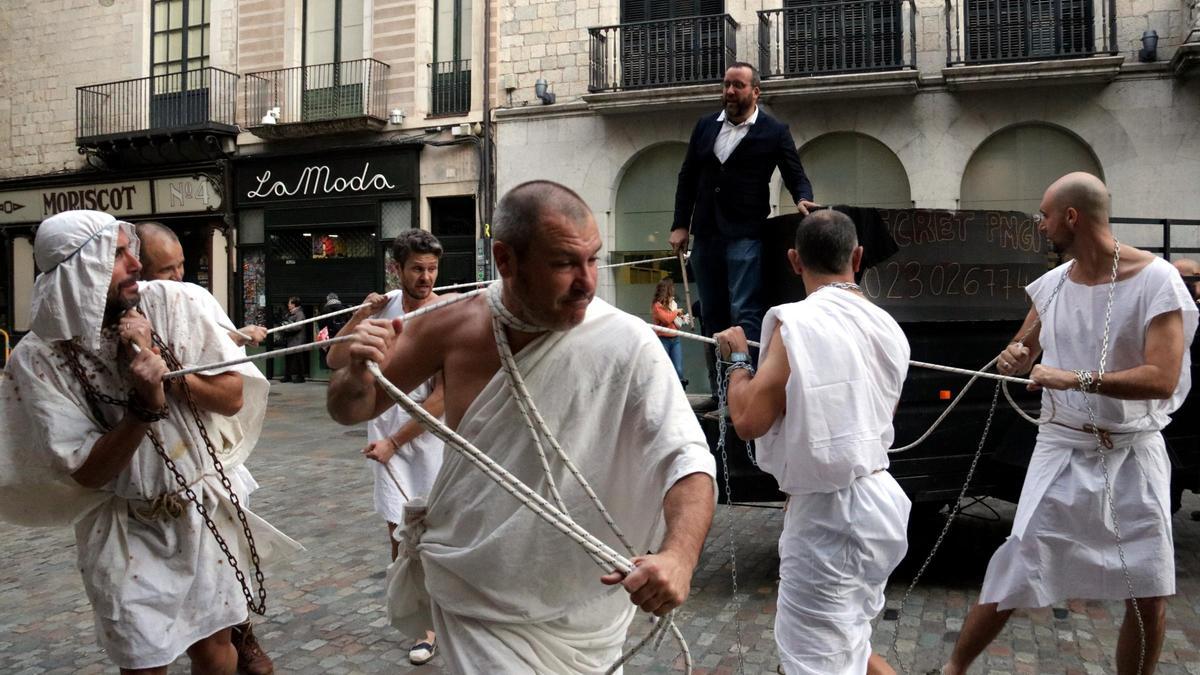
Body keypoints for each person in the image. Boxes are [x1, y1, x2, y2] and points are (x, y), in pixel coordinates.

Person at [327, 180, 717, 673]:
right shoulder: (453, 326)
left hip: (584, 608)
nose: (587, 283)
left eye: (593, 260)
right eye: (563, 264)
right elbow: (348, 408)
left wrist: (679, 556)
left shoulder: (629, 342)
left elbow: (686, 457)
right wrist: (358, 370)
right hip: (477, 593)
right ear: (505, 260)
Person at [0, 210, 298, 674]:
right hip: (123, 527)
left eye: (130, 249)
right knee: (142, 659)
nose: (136, 263)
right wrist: (142, 406)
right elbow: (89, 471)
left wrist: (162, 367)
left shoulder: (180, 303)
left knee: (216, 646)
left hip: (200, 509)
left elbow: (232, 396)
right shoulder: (37, 359)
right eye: (117, 254)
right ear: (80, 268)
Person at [939, 172, 1197, 675]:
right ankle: (953, 670)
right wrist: (1013, 358)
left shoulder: (1157, 279)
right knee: (1015, 565)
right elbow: (1021, 351)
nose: (1040, 224)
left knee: (1149, 589)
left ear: (1072, 217)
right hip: (1060, 448)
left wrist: (1073, 378)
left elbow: (1162, 378)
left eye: (1045, 215)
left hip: (1132, 451)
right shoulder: (1054, 284)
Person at [715, 210, 910, 675]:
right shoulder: (889, 328)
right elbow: (878, 418)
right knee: (853, 646)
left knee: (814, 663)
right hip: (881, 503)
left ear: (793, 261)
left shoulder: (797, 323)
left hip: (830, 519)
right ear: (857, 257)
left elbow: (748, 420)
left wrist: (737, 360)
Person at [135, 220, 275, 675]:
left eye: (180, 267)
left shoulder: (191, 300)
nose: (175, 279)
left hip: (208, 467)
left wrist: (235, 336)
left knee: (220, 592)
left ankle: (241, 630)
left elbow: (228, 384)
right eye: (163, 270)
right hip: (145, 491)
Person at [326, 228, 448, 666]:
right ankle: (418, 620)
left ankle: (436, 625)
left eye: (432, 269)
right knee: (397, 534)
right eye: (417, 268)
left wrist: (395, 442)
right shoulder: (383, 310)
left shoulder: (443, 315)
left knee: (431, 534)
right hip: (384, 437)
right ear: (397, 269)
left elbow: (443, 398)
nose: (426, 277)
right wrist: (359, 316)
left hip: (426, 441)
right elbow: (335, 360)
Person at [670, 61, 817, 375]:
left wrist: (803, 198)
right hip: (706, 233)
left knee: (744, 311)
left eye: (738, 85)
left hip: (745, 232)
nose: (730, 91)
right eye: (726, 84)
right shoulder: (705, 126)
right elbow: (687, 177)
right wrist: (680, 224)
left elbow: (795, 174)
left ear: (756, 92)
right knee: (711, 313)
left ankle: (746, 384)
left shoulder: (774, 131)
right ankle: (719, 391)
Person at [135, 221, 267, 346]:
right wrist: (235, 338)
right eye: (166, 269)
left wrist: (237, 336)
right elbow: (183, 360)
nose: (177, 276)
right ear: (137, 272)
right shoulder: (131, 315)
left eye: (180, 264)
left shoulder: (197, 296)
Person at [650, 278, 688, 382]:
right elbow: (666, 319)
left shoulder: (672, 303)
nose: (674, 289)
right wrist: (676, 312)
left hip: (675, 339)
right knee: (663, 369)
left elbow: (673, 319)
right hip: (663, 340)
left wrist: (682, 317)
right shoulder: (657, 306)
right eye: (672, 287)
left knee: (678, 369)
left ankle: (680, 393)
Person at [278, 296, 307, 383]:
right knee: (288, 359)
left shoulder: (300, 314)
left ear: (294, 304)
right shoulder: (291, 313)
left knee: (298, 359)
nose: (288, 305)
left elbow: (298, 326)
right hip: (290, 340)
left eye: (289, 303)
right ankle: (288, 376)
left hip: (297, 340)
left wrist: (286, 327)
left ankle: (301, 377)